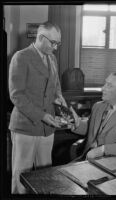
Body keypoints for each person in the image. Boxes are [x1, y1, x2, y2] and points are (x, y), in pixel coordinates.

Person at [8, 21, 67, 194]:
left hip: (48, 127)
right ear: (41, 37)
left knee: (45, 173)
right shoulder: (21, 57)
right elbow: (16, 95)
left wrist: (60, 99)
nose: (56, 48)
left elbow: (55, 87)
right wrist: (41, 115)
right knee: (22, 174)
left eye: (58, 43)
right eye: (53, 43)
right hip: (25, 125)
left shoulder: (52, 58)